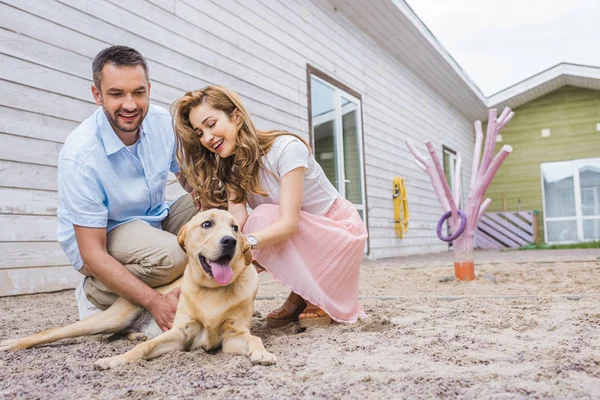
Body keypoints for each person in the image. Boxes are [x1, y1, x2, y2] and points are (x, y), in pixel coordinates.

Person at [171, 86, 368, 327]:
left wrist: (246, 245)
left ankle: (316, 294)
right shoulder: (231, 167)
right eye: (200, 133)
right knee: (243, 231)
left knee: (262, 219)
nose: (208, 138)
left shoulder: (285, 149)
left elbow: (288, 224)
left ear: (236, 116)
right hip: (307, 235)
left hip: (339, 234)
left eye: (211, 124)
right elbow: (237, 215)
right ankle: (300, 294)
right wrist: (221, 246)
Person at [56, 45, 199, 331]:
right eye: (117, 93)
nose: (130, 105)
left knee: (213, 218)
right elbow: (91, 252)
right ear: (97, 95)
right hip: (104, 236)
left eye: (138, 92)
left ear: (149, 89)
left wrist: (213, 208)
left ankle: (171, 277)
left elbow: (190, 179)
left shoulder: (160, 123)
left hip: (153, 220)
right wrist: (154, 303)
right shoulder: (80, 156)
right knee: (176, 254)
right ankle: (96, 292)